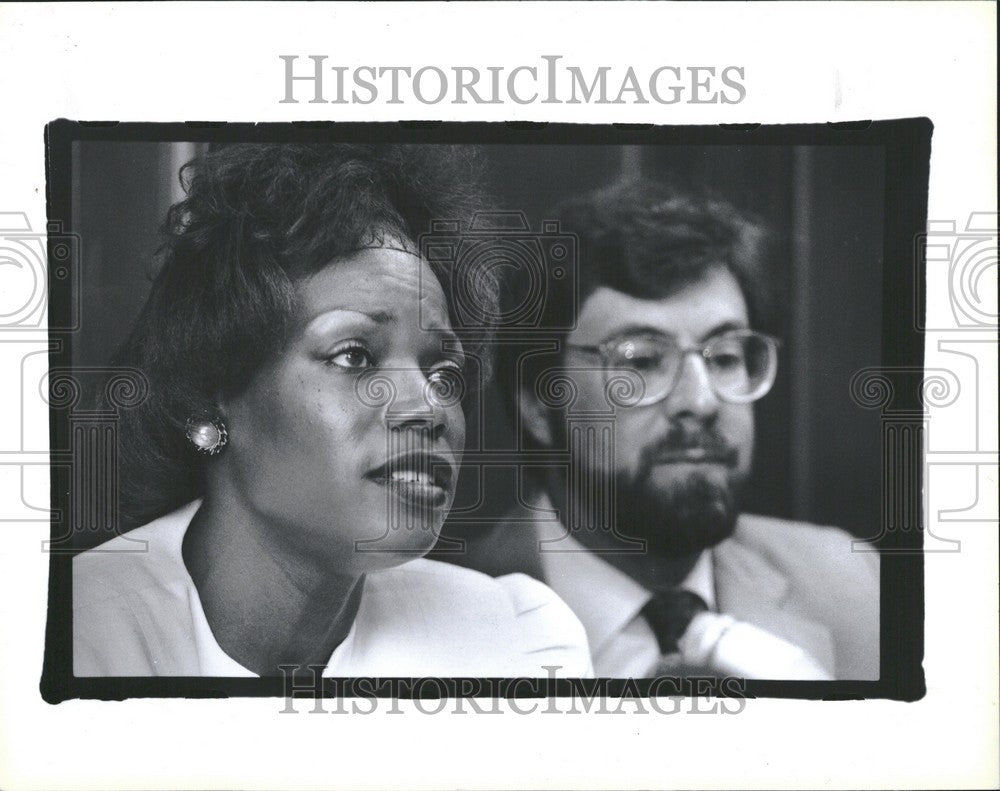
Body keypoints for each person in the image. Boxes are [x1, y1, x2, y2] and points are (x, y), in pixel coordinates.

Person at [72, 143, 592, 678]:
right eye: (355, 356)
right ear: (209, 396)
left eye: (443, 373)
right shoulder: (74, 637)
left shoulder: (514, 642)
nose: (427, 407)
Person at [440, 177, 879, 680]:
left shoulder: (851, 586)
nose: (701, 400)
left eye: (727, 356)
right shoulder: (437, 626)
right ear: (541, 405)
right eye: (643, 360)